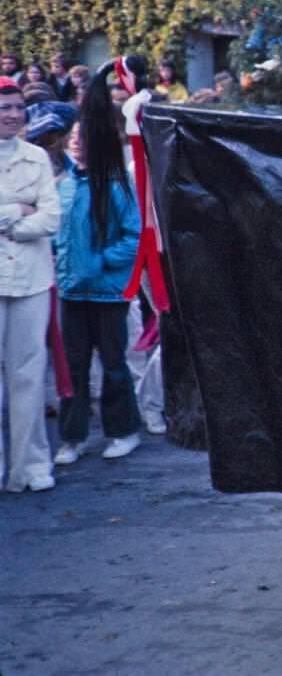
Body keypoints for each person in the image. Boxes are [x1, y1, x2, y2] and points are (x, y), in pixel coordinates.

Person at [53, 58, 147, 466]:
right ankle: (71, 438)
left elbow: (134, 235)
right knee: (72, 369)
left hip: (108, 292)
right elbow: (56, 235)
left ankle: (123, 430)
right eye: (72, 137)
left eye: (83, 137)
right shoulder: (62, 186)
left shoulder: (116, 186)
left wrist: (100, 261)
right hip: (72, 291)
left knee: (112, 365)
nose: (76, 142)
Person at [0, 78, 61, 492]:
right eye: (4, 108)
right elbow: (33, 216)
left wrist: (13, 224)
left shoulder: (37, 156)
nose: (12, 115)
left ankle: (31, 467)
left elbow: (51, 219)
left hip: (32, 278)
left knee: (29, 374)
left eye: (18, 108)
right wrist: (16, 210)